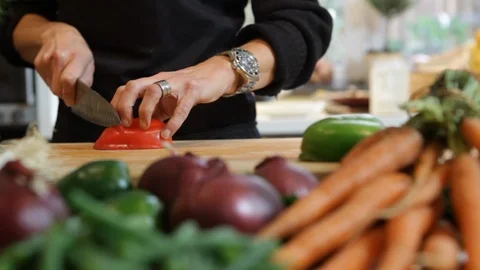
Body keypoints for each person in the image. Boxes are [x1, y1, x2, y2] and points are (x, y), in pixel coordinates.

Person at [0, 0, 333, 142]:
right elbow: (16, 20)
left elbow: (301, 24)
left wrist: (220, 72)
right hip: (84, 145)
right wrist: (48, 33)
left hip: (214, 147)